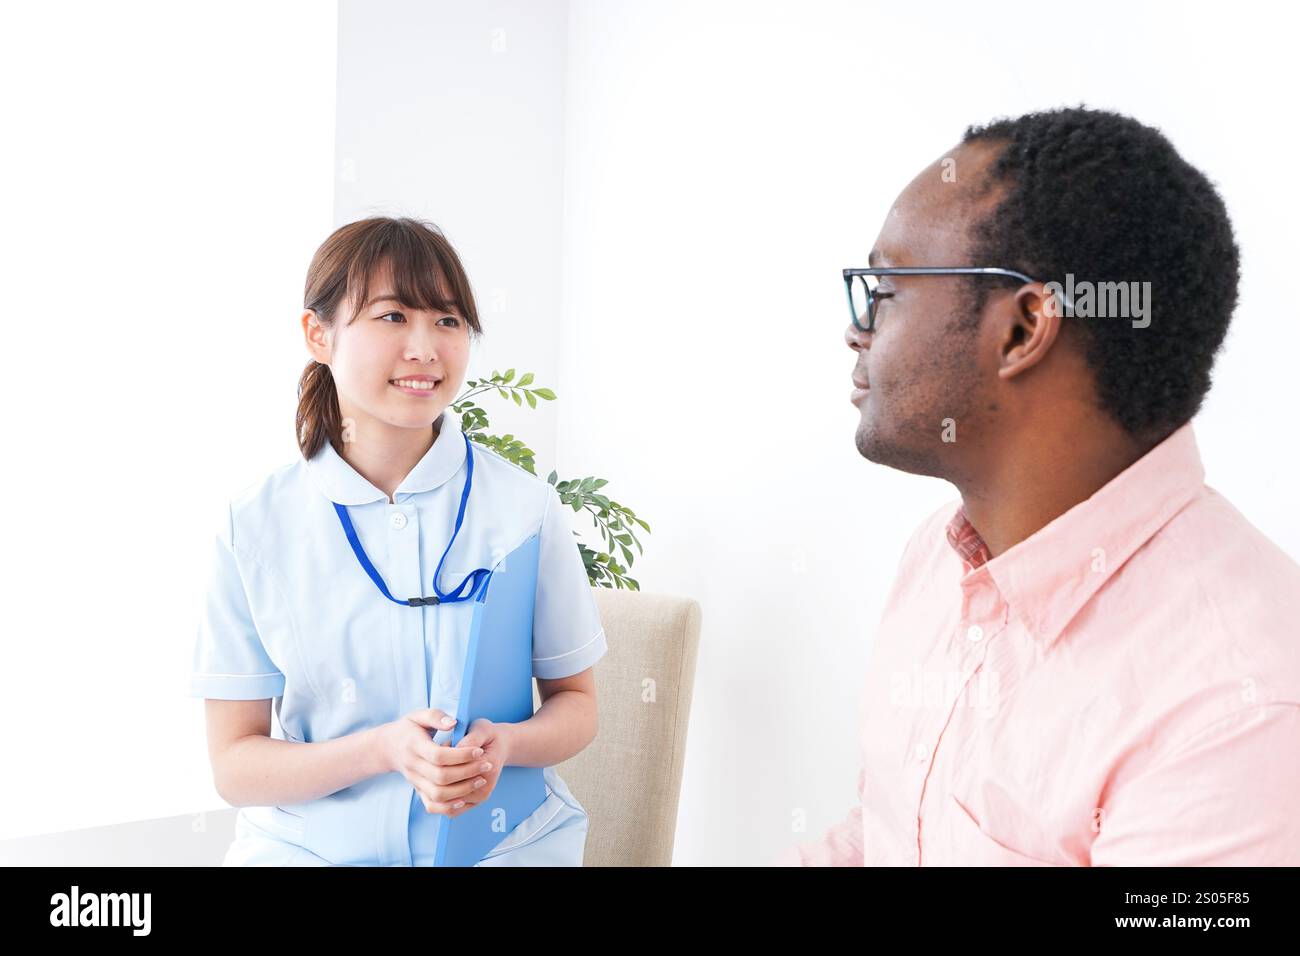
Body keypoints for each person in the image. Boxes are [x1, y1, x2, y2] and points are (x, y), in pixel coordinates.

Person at [775, 106, 1300, 866]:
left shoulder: (1239, 705)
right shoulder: (939, 557)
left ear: (1023, 331)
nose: (857, 329)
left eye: (885, 286)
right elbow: (884, 831)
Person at [189, 216, 607, 866]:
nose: (425, 348)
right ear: (317, 334)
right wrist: (381, 750)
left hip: (501, 845)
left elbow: (576, 705)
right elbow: (236, 766)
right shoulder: (256, 525)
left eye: (447, 320)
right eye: (391, 317)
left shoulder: (524, 508)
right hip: (311, 849)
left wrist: (505, 744)